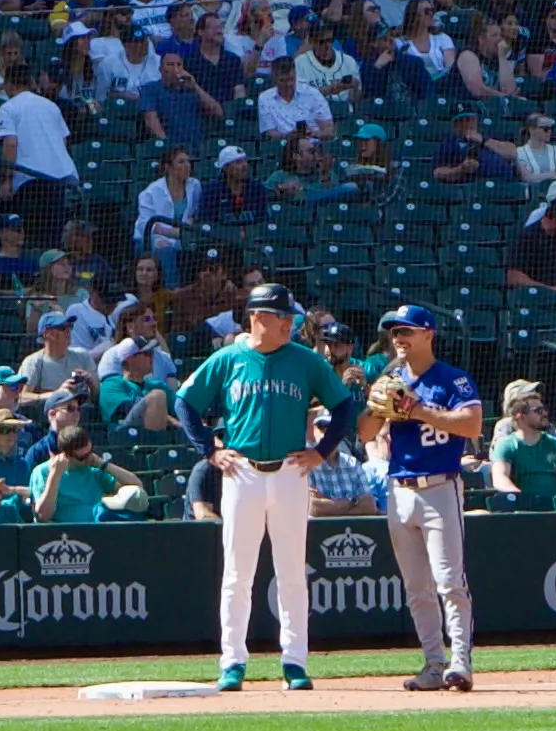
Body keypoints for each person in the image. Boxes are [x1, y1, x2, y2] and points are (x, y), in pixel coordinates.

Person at [177, 280, 355, 691]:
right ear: (259, 317)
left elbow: (344, 404)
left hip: (292, 470)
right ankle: (232, 663)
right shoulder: (227, 358)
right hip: (243, 472)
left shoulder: (305, 360)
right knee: (238, 573)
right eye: (284, 316)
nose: (291, 323)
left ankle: (294, 662)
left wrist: (323, 448)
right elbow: (185, 401)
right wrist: (209, 449)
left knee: (292, 571)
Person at [370, 297, 489, 689]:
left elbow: (472, 426)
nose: (398, 338)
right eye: (393, 332)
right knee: (417, 588)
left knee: (449, 581)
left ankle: (461, 663)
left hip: (440, 486)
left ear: (427, 334)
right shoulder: (391, 379)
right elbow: (364, 434)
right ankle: (433, 665)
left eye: (405, 330)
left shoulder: (451, 378)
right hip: (399, 489)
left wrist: (418, 410)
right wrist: (376, 408)